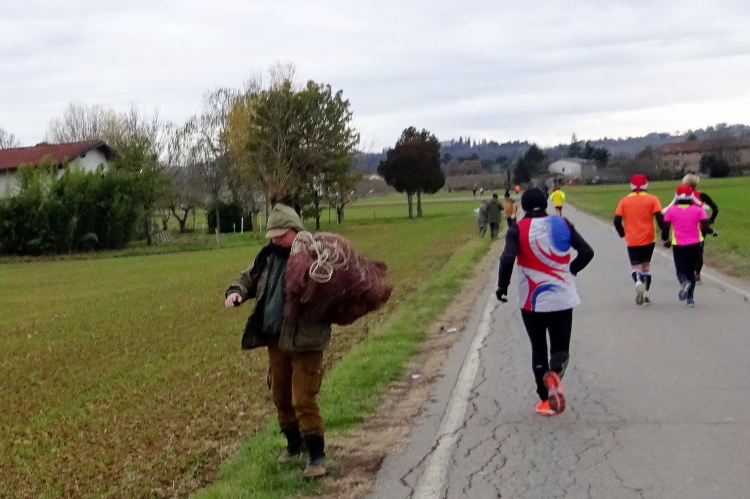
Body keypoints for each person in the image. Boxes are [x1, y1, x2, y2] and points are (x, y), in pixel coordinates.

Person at [224, 203, 329, 478]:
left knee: (303, 398)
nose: (276, 240)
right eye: (272, 235)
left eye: (281, 235)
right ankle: (294, 444)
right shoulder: (267, 256)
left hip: (306, 341)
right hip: (276, 339)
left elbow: (332, 287)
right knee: (280, 397)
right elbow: (247, 278)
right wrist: (236, 292)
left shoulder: (317, 255)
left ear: (296, 230)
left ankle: (317, 457)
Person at [496, 188, 594, 417]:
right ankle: (555, 372)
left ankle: (544, 399)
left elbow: (507, 258)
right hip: (562, 297)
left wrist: (502, 286)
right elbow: (587, 252)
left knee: (538, 347)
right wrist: (571, 269)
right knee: (560, 349)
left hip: (532, 300)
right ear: (546, 203)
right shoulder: (563, 224)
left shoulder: (517, 229)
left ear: (523, 206)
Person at [613, 174, 665, 306]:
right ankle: (646, 294)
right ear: (646, 185)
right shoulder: (653, 199)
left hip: (632, 238)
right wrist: (665, 233)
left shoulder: (624, 201)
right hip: (649, 237)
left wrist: (622, 233)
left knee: (636, 266)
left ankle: (638, 282)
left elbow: (617, 220)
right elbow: (659, 218)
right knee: (646, 266)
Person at [661, 184, 710, 308]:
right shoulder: (699, 210)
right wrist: (707, 231)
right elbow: (705, 225)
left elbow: (665, 228)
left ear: (676, 196)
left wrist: (666, 240)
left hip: (679, 245)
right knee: (691, 271)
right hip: (695, 244)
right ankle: (690, 299)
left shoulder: (672, 210)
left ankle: (683, 281)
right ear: (691, 196)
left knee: (680, 270)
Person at [681, 174, 719, 283]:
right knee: (698, 251)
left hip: (685, 226)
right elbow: (715, 208)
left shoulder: (681, 196)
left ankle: (687, 272)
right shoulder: (702, 195)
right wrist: (711, 220)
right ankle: (697, 274)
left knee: (685, 250)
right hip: (701, 226)